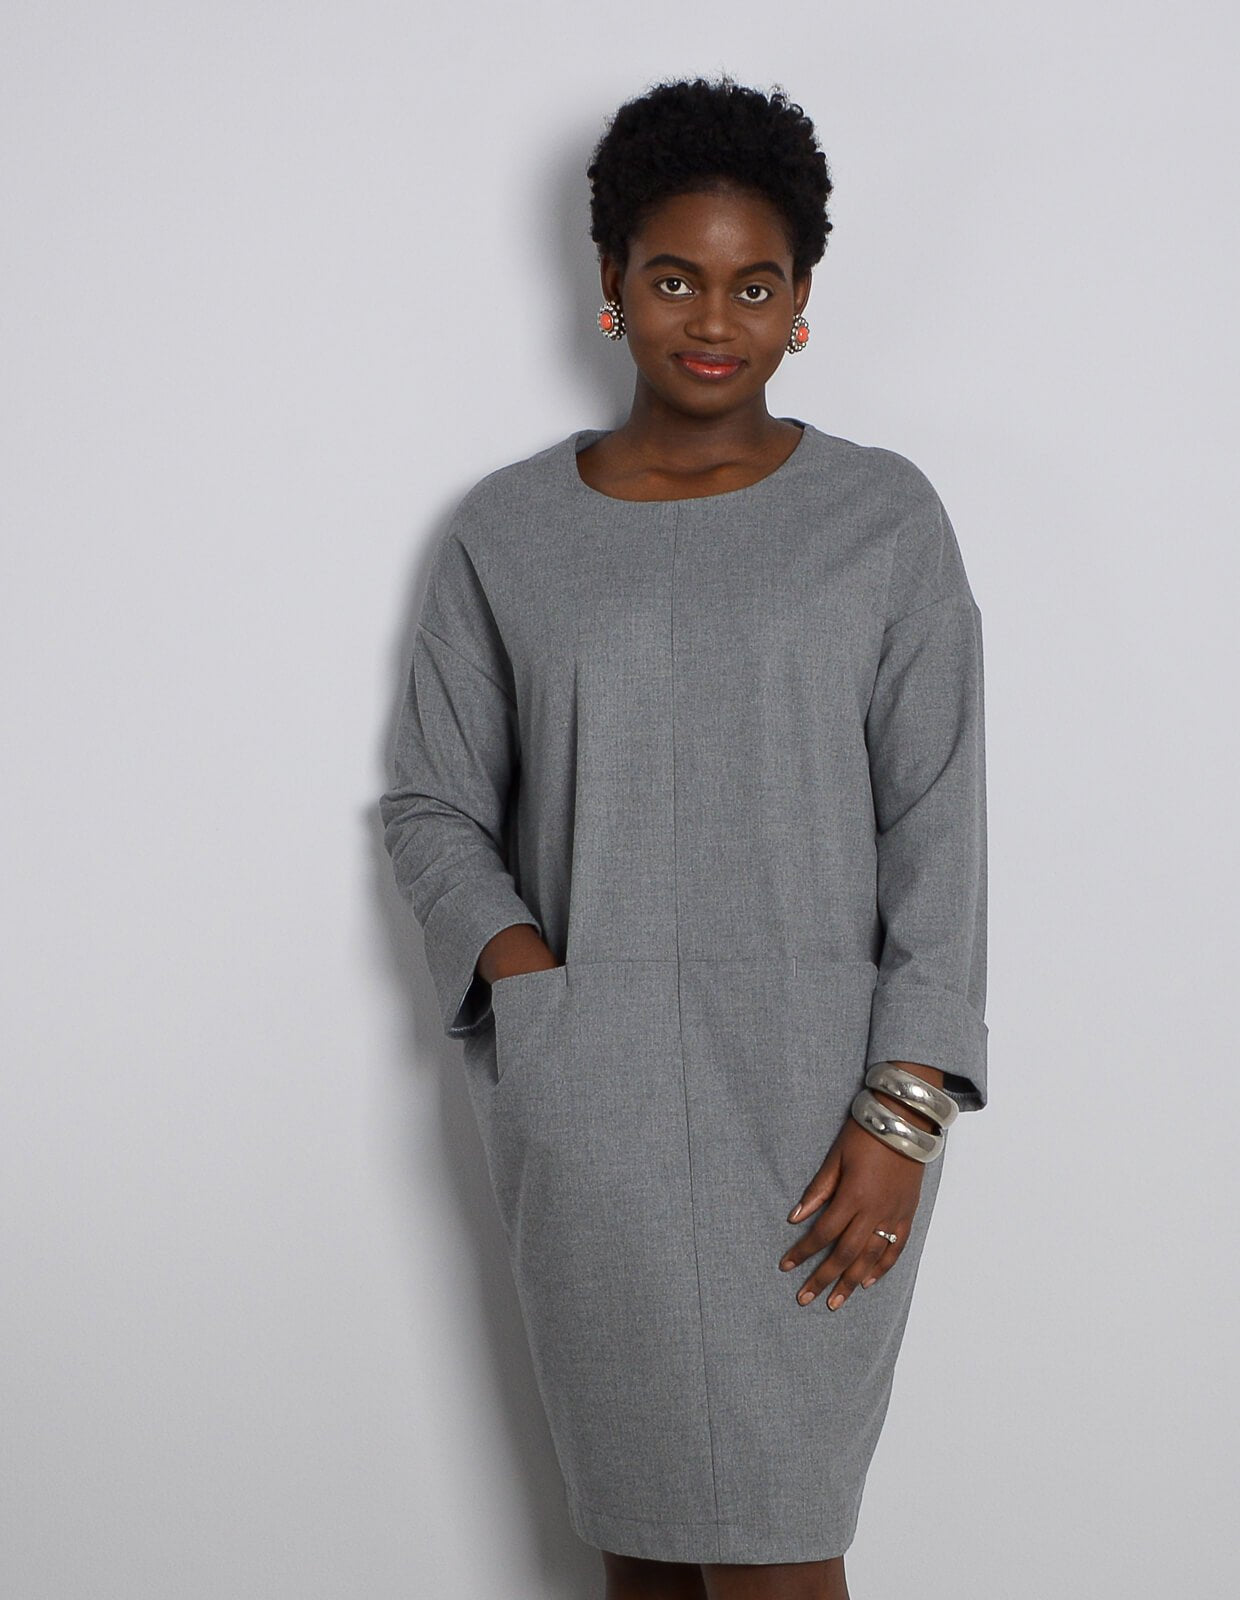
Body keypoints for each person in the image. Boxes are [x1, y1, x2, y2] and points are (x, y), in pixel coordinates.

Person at [379, 74, 988, 1600]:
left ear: (802, 303)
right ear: (609, 282)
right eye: (673, 278)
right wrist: (534, 989)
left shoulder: (883, 520)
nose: (714, 320)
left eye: (754, 284)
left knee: (780, 1552)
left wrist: (905, 1111)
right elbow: (434, 801)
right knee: (644, 1557)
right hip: (595, 1123)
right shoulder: (510, 533)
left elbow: (940, 825)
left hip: (821, 1127)